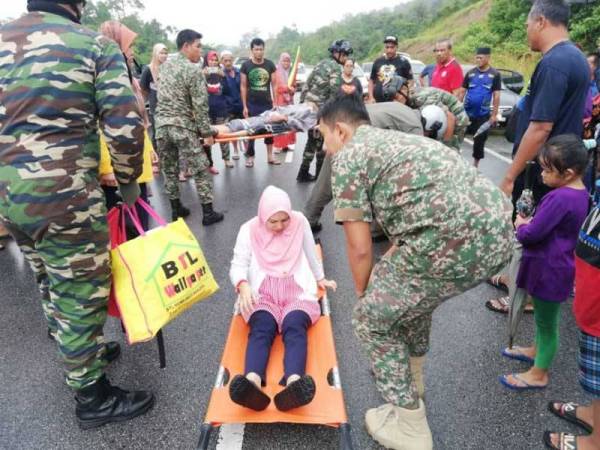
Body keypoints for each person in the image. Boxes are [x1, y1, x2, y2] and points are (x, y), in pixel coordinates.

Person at [321, 95, 513, 449]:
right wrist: (384, 282)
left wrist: (366, 295)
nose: (326, 148)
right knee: (409, 297)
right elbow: (413, 220)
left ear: (340, 130)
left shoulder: (349, 155)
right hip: (500, 233)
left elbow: (360, 247)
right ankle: (413, 381)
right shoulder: (402, 141)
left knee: (371, 318)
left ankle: (410, 426)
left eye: (324, 137)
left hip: (453, 240)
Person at [0, 0, 154, 428]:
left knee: (48, 276)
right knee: (81, 289)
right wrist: (128, 186)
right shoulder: (92, 46)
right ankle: (92, 396)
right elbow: (124, 124)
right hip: (64, 197)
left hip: (9, 198)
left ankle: (79, 348)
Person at [228, 185, 337, 411]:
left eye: (283, 220)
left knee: (295, 326)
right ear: (262, 217)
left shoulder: (299, 222)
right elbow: (238, 264)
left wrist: (320, 278)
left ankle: (294, 383)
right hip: (263, 291)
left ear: (290, 213)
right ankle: (252, 382)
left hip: (296, 289)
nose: (279, 227)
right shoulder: (248, 229)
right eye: (272, 221)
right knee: (261, 328)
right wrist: (243, 285)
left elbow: (309, 250)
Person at [498, 135, 589, 391]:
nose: (542, 175)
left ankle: (539, 373)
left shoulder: (559, 198)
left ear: (569, 172)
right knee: (543, 318)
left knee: (548, 324)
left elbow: (533, 234)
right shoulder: (583, 195)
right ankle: (536, 351)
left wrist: (521, 226)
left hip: (547, 269)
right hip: (559, 267)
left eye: (548, 169)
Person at [305, 84, 425, 233]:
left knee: (326, 178)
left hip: (349, 121)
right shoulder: (416, 127)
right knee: (359, 180)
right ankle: (374, 228)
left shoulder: (403, 109)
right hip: (358, 129)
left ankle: (309, 218)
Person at [154, 29, 224, 225]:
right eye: (197, 46)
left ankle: (176, 210)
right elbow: (200, 106)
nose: (200, 51)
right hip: (182, 126)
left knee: (169, 169)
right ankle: (208, 213)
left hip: (161, 126)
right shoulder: (193, 70)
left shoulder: (165, 65)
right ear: (185, 46)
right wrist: (207, 133)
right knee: (201, 168)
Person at [98, 20, 156, 229]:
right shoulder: (103, 77)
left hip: (132, 162)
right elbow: (99, 125)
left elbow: (137, 119)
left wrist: (148, 148)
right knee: (125, 226)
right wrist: (106, 168)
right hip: (116, 167)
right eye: (128, 45)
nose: (131, 51)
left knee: (140, 222)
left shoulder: (127, 78)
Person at [296, 39, 350, 182]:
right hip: (321, 111)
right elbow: (334, 94)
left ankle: (303, 172)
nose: (346, 58)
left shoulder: (320, 64)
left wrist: (302, 105)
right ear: (337, 53)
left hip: (309, 108)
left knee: (311, 142)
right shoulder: (336, 68)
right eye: (345, 55)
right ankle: (319, 177)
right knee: (321, 143)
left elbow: (307, 84)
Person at [391, 75, 470, 150]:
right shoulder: (407, 100)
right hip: (444, 117)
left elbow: (450, 118)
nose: (394, 102)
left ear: (404, 90)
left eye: (396, 97)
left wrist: (446, 146)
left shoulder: (421, 99)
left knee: (448, 152)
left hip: (458, 118)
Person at [458, 47, 502, 167]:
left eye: (481, 57)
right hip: (467, 113)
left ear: (488, 58)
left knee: (479, 141)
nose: (478, 60)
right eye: (476, 57)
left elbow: (496, 95)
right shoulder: (470, 73)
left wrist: (494, 115)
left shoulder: (495, 74)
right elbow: (462, 91)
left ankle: (475, 165)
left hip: (482, 115)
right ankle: (457, 161)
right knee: (458, 135)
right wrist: (457, 109)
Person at [240, 38, 279, 167]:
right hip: (252, 104)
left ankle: (270, 156)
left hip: (267, 103)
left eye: (261, 49)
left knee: (269, 130)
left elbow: (274, 85)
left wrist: (275, 103)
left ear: (264, 50)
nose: (259, 52)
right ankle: (250, 156)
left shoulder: (269, 65)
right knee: (251, 131)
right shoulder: (246, 66)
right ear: (252, 50)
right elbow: (243, 86)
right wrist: (245, 106)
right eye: (256, 49)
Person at [203, 50, 233, 172]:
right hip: (206, 111)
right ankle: (210, 163)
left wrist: (224, 77)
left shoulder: (222, 73)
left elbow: (227, 91)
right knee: (207, 138)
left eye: (216, 60)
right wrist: (202, 75)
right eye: (211, 60)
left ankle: (226, 159)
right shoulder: (201, 73)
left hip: (221, 109)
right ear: (206, 61)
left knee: (224, 136)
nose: (214, 62)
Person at [368, 35, 413, 103]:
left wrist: (404, 96)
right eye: (387, 47)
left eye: (392, 47)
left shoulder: (404, 62)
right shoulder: (378, 61)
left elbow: (410, 81)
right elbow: (371, 81)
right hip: (378, 102)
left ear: (396, 47)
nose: (389, 50)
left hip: (396, 103)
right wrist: (371, 97)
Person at [140, 43, 168, 149]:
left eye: (166, 53)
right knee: (156, 134)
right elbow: (143, 88)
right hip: (155, 107)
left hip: (168, 107)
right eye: (161, 53)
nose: (164, 55)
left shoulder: (168, 69)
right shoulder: (148, 69)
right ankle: (155, 157)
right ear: (155, 54)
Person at [221, 50, 244, 160]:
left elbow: (245, 88)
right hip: (228, 107)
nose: (228, 63)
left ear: (233, 60)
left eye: (230, 60)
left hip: (241, 105)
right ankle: (235, 150)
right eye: (225, 61)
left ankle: (246, 148)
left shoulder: (239, 72)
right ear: (222, 61)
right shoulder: (220, 74)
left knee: (245, 128)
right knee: (233, 130)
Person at [273, 52, 297, 153]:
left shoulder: (292, 72)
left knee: (289, 123)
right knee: (279, 123)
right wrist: (287, 88)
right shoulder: (276, 72)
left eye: (288, 61)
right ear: (280, 61)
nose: (286, 63)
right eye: (284, 60)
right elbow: (277, 87)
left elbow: (294, 85)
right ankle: (278, 145)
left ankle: (287, 144)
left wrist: (293, 90)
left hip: (289, 102)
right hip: (280, 102)